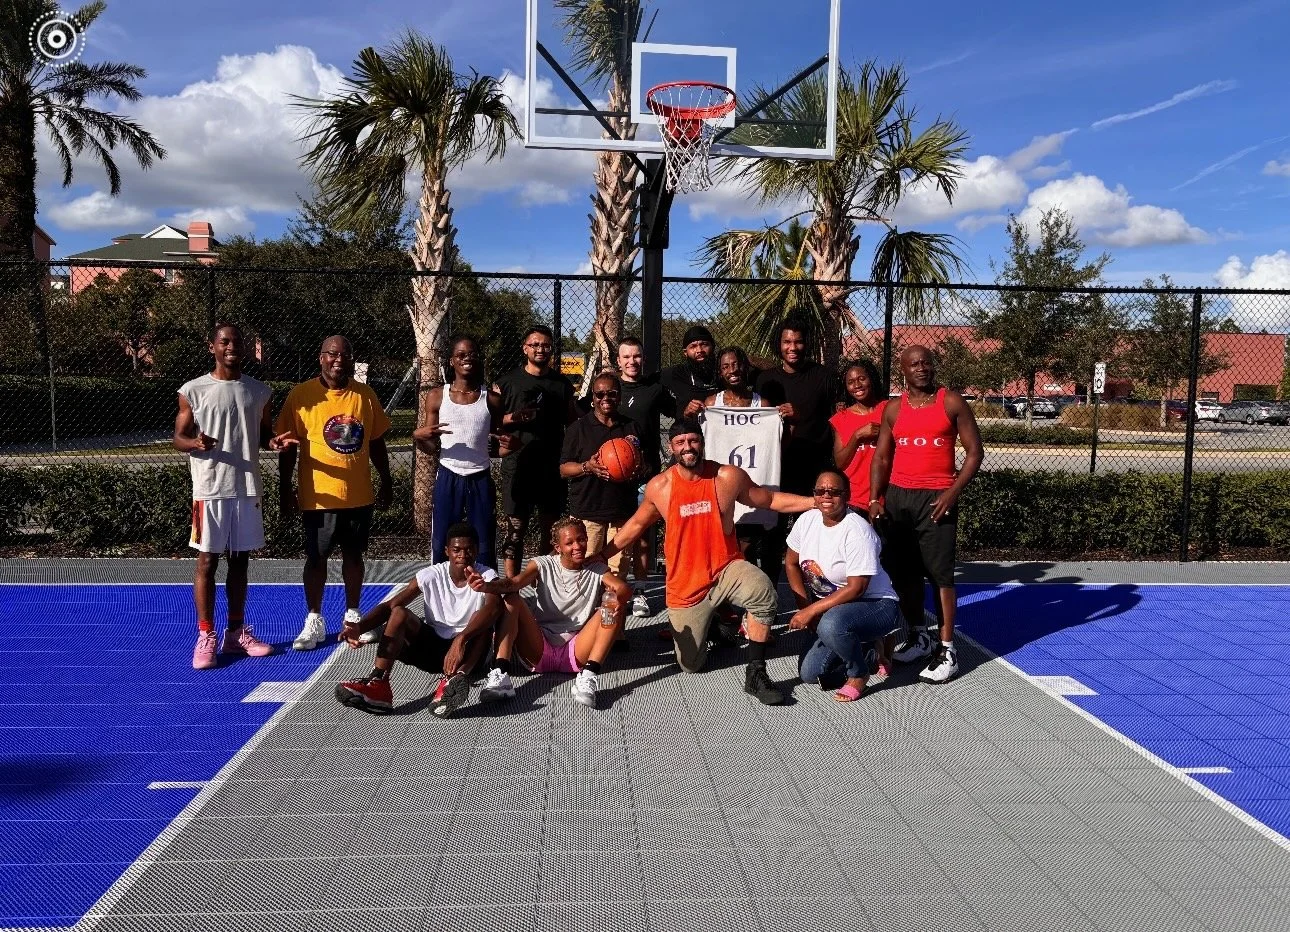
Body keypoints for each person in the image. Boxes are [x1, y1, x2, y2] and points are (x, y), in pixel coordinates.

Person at [590, 420, 814, 705]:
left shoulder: (727, 477)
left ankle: (756, 672)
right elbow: (634, 526)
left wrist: (815, 502)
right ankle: (714, 626)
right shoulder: (660, 487)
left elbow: (768, 499)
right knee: (691, 664)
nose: (688, 447)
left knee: (763, 593)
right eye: (680, 442)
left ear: (702, 442)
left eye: (693, 440)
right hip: (685, 583)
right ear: (671, 447)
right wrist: (601, 556)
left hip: (726, 568)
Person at [175, 323, 297, 669]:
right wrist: (194, 442)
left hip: (246, 488)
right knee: (207, 562)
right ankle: (205, 635)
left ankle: (235, 633)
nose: (231, 347)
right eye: (224, 341)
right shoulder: (192, 390)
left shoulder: (259, 391)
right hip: (209, 488)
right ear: (211, 346)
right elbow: (178, 438)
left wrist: (272, 442)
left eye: (237, 342)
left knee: (240, 562)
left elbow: (263, 434)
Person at [869, 345, 984, 683]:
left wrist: (952, 491)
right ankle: (919, 636)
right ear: (903, 370)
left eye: (927, 363)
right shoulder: (894, 408)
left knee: (940, 576)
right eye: (914, 364)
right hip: (898, 498)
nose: (922, 368)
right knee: (903, 573)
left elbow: (975, 452)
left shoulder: (951, 402)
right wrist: (876, 497)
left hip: (936, 498)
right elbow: (881, 458)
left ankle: (947, 650)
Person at [277, 335, 393, 652]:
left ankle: (353, 616)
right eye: (332, 354)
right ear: (321, 357)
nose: (339, 359)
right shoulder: (301, 396)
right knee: (316, 558)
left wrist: (386, 479)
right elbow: (287, 447)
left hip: (358, 494)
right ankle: (314, 619)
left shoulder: (364, 395)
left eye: (345, 354)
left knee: (354, 557)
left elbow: (376, 441)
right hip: (319, 496)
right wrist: (285, 487)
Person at [334, 523, 512, 718]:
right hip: (434, 650)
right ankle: (378, 684)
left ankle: (455, 680)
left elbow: (495, 608)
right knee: (399, 613)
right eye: (456, 550)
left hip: (470, 652)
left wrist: (461, 639)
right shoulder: (431, 575)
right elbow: (390, 606)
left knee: (482, 620)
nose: (463, 555)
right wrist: (359, 627)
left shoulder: (486, 575)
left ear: (477, 550)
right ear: (447, 551)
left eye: (469, 550)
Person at [467, 517, 630, 708]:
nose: (577, 546)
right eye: (569, 543)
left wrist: (618, 599)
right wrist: (486, 586)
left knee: (612, 607)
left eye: (581, 539)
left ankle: (588, 676)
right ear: (558, 547)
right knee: (512, 598)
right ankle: (501, 673)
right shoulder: (542, 564)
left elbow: (622, 588)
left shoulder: (597, 569)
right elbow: (514, 583)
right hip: (539, 647)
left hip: (576, 650)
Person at [786, 469, 901, 701]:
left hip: (876, 604)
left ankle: (858, 674)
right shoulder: (806, 520)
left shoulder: (858, 531)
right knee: (810, 673)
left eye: (834, 492)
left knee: (831, 624)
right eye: (820, 491)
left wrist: (812, 610)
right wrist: (804, 606)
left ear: (847, 495)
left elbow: (857, 588)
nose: (826, 496)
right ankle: (869, 650)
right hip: (835, 608)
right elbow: (791, 563)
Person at [414, 334, 521, 571]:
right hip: (448, 475)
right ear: (451, 361)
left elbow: (497, 447)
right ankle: (440, 585)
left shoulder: (491, 399)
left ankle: (486, 588)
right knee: (441, 539)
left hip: (480, 477)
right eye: (461, 355)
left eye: (472, 354)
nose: (467, 359)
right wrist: (419, 438)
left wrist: (513, 446)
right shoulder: (437, 396)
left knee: (484, 541)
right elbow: (431, 448)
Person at [755, 316, 837, 582]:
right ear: (778, 344)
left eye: (798, 342)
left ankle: (818, 594)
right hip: (775, 471)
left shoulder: (823, 377)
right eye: (787, 342)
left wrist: (801, 416)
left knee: (814, 536)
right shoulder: (765, 380)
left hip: (813, 468)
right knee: (771, 538)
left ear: (807, 344)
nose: (792, 347)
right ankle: (768, 596)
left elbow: (836, 420)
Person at [493, 325, 578, 578]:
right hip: (518, 466)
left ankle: (542, 583)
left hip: (551, 467)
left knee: (550, 531)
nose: (540, 349)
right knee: (515, 531)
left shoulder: (562, 384)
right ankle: (511, 586)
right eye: (535, 344)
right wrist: (513, 418)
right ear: (525, 348)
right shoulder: (506, 383)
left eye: (546, 345)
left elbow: (572, 423)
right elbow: (492, 422)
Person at [559, 372, 640, 579]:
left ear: (619, 396)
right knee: (586, 568)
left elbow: (644, 463)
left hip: (622, 510)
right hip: (589, 510)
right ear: (593, 397)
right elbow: (563, 469)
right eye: (600, 394)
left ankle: (612, 599)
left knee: (618, 570)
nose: (606, 398)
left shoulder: (631, 426)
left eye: (612, 394)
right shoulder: (578, 428)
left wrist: (636, 469)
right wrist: (587, 466)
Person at [616, 336, 674, 610]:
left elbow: (681, 413)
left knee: (641, 535)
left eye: (636, 356)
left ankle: (639, 590)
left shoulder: (655, 389)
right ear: (618, 361)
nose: (632, 361)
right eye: (626, 357)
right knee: (614, 532)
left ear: (643, 358)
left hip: (644, 473)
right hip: (613, 476)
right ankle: (614, 587)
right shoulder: (608, 388)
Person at [831, 359, 888, 515]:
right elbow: (840, 463)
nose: (857, 385)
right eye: (850, 382)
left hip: (888, 495)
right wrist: (857, 436)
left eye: (862, 378)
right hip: (854, 498)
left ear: (871, 379)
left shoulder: (888, 409)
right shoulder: (841, 418)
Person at [659, 325, 720, 422]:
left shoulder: (724, 371)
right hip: (689, 429)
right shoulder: (676, 373)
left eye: (704, 344)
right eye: (693, 346)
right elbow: (648, 387)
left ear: (712, 346)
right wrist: (681, 412)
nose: (699, 350)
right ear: (685, 352)